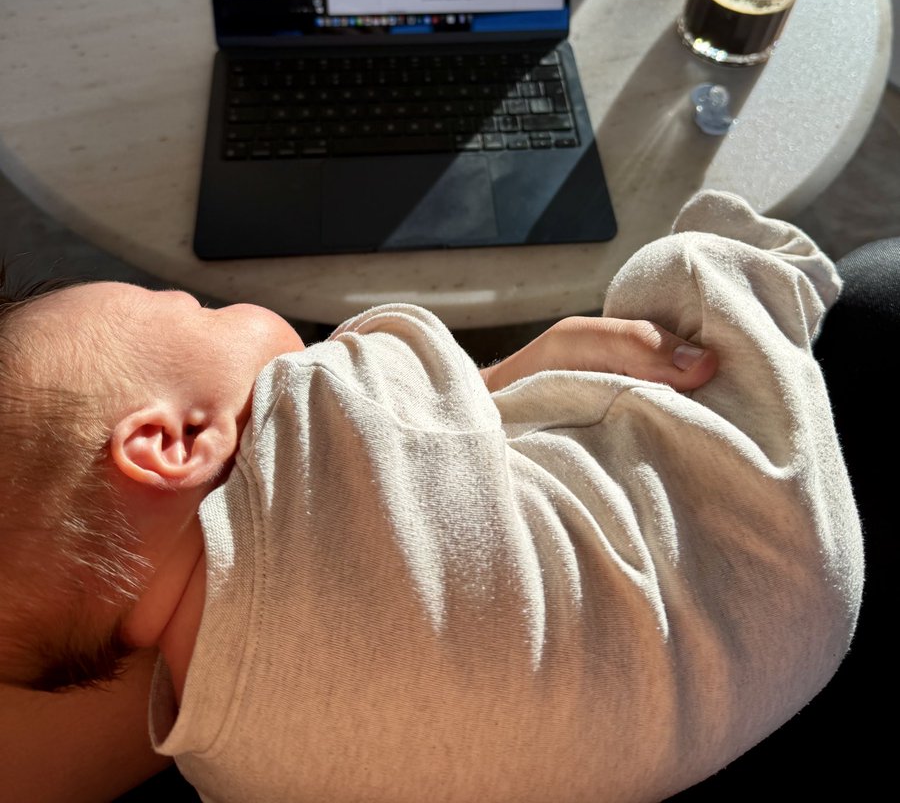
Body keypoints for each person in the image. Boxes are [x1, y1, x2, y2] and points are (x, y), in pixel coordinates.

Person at [0, 190, 863, 803]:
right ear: (172, 444)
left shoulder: (210, 754)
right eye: (193, 308)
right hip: (769, 577)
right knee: (688, 270)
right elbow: (389, 350)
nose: (215, 306)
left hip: (685, 726)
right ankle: (773, 276)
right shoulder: (318, 431)